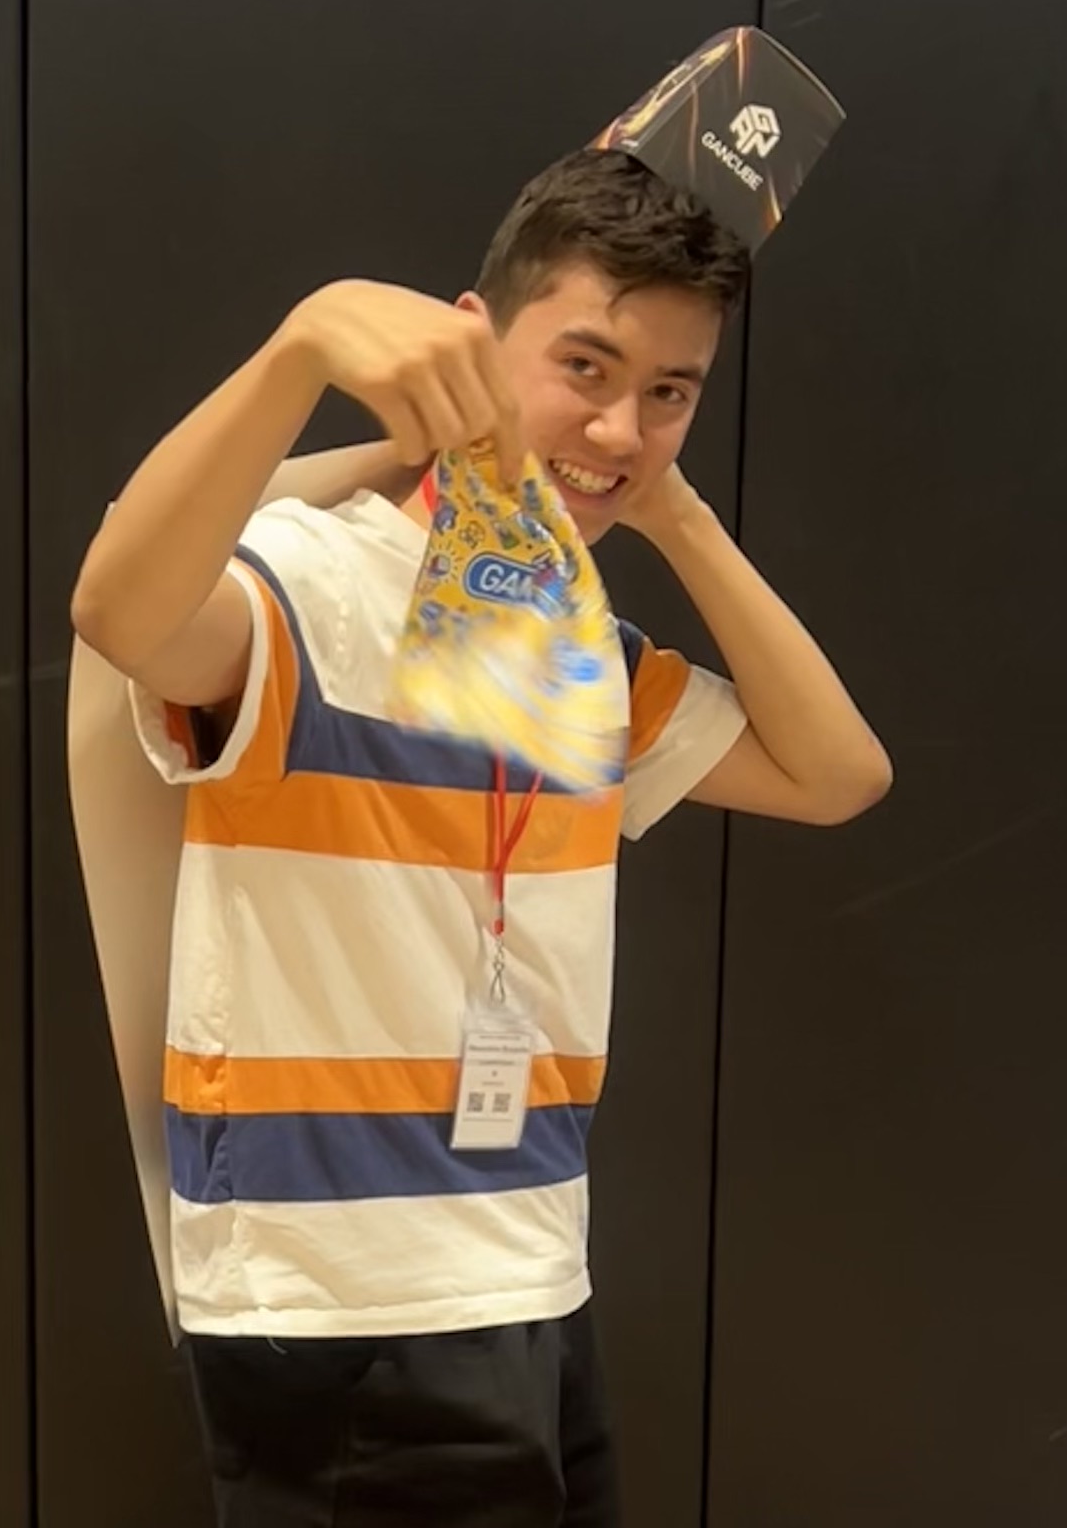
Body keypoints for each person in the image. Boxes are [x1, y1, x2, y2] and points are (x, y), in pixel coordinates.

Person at [70, 146, 892, 1526]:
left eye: (670, 391)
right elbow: (122, 613)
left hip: (527, 1266)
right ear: (472, 336)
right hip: (342, 1300)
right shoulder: (310, 579)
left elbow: (837, 772)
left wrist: (672, 510)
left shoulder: (577, 645)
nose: (621, 424)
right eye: (585, 367)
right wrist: (302, 348)